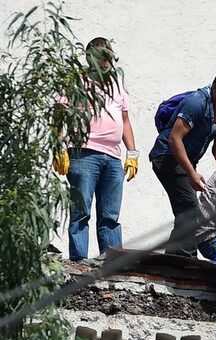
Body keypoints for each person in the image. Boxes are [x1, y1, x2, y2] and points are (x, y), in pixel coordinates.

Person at [54, 37, 138, 261]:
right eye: (100, 57)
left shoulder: (116, 84)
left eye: (108, 57)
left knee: (110, 215)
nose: (105, 62)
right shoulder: (76, 82)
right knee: (81, 212)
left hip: (112, 157)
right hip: (83, 152)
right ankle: (80, 262)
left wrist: (132, 153)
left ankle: (112, 264)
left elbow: (125, 121)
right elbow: (59, 115)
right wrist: (58, 146)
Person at [149, 68, 216, 257]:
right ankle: (184, 257)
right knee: (190, 208)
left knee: (188, 209)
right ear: (215, 88)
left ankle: (175, 257)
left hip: (185, 160)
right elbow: (175, 139)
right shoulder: (196, 103)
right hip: (167, 156)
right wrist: (191, 173)